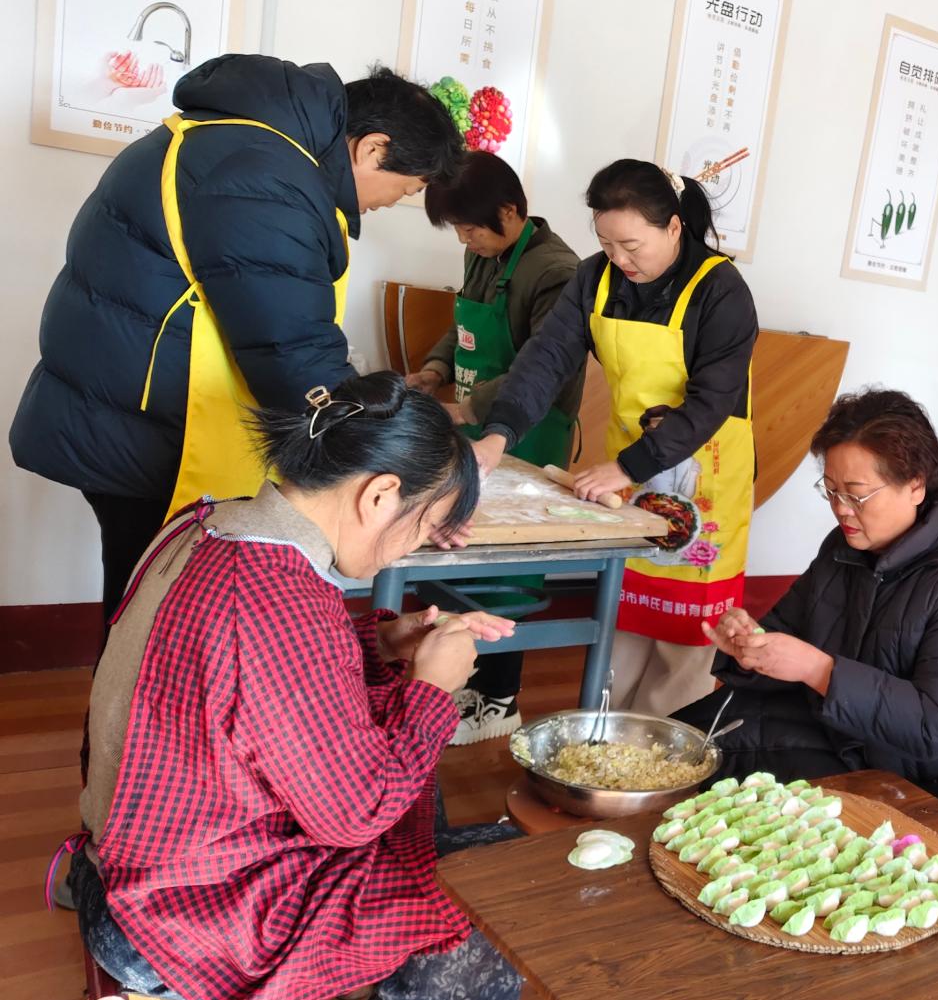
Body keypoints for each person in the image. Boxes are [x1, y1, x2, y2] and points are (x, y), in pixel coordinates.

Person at [67, 372, 524, 1000]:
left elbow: (264, 689)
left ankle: (384, 998)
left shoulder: (210, 525)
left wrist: (383, 643)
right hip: (175, 916)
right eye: (424, 525)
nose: (415, 545)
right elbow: (355, 814)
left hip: (127, 864)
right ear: (379, 495)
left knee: (421, 805)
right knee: (496, 893)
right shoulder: (276, 600)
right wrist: (432, 690)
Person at [10, 56, 464, 628]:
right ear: (373, 149)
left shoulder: (241, 141)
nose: (390, 202)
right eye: (407, 187)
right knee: (152, 625)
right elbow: (292, 349)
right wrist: (409, 468)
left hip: (125, 415)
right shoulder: (263, 172)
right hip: (146, 435)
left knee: (145, 612)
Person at [688, 389, 938, 876]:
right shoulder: (845, 546)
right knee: (697, 752)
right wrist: (751, 643)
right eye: (831, 490)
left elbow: (935, 724)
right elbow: (787, 631)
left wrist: (818, 669)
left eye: (856, 494)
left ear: (915, 485)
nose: (841, 509)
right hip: (868, 738)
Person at [471, 160, 757, 717]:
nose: (619, 259)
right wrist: (498, 434)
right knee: (624, 621)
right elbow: (546, 359)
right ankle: (605, 734)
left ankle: (665, 746)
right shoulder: (594, 278)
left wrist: (628, 467)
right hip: (629, 466)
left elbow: (712, 402)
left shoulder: (721, 289)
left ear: (673, 227)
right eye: (606, 243)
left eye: (631, 245)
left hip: (705, 470)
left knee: (685, 638)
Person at [408, 150, 583, 744]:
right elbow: (460, 327)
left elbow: (546, 366)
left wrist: (470, 408)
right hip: (470, 426)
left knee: (507, 570)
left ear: (509, 211)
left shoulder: (556, 270)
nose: (466, 240)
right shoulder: (484, 253)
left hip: (530, 432)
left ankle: (500, 699)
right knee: (457, 554)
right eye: (458, 231)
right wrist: (435, 370)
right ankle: (463, 681)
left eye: (471, 228)